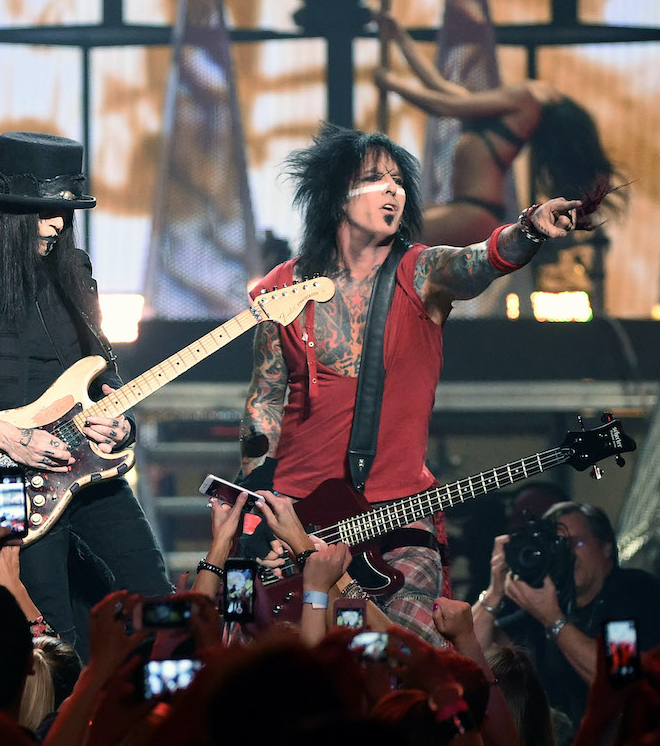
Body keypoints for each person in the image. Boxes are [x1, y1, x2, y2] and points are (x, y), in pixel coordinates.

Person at [238, 124, 590, 645]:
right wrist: (257, 514)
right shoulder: (278, 289)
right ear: (334, 193)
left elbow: (477, 261)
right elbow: (264, 405)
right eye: (374, 178)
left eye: (399, 180)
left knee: (407, 663)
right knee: (288, 672)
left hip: (398, 516)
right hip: (294, 517)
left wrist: (529, 230)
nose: (393, 189)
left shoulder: (421, 272)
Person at [0, 131, 171, 658]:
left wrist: (120, 425)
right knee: (46, 629)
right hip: (4, 472)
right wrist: (13, 439)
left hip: (84, 464)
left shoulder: (76, 271)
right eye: (45, 213)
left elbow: (103, 374)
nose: (57, 225)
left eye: (65, 214)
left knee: (153, 590)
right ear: (11, 212)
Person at [374, 12, 620, 247]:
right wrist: (400, 37)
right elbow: (438, 86)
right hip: (467, 209)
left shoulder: (527, 100)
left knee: (385, 229)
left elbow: (445, 106)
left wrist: (392, 84)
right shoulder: (498, 115)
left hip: (474, 210)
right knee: (386, 226)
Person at [473, 501, 660, 726]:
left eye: (574, 542)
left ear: (606, 547)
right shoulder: (549, 603)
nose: (566, 553)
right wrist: (494, 592)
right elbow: (473, 652)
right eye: (556, 545)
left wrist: (553, 620)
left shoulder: (631, 591)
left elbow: (621, 679)